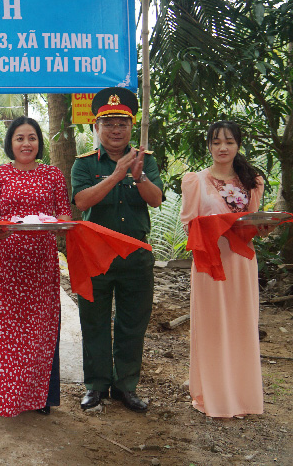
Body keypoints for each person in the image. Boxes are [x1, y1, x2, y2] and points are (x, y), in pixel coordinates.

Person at [0, 116, 72, 416]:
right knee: (3, 332)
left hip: (40, 264)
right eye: (20, 138)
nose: (27, 144)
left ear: (39, 142)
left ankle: (39, 398)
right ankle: (1, 397)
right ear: (10, 143)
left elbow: (64, 217)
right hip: (5, 265)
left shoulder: (52, 175)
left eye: (32, 138)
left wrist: (53, 225)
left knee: (39, 330)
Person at [70, 87, 164, 412]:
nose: (115, 130)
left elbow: (156, 199)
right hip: (94, 257)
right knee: (94, 322)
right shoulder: (83, 165)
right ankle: (95, 386)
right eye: (108, 123)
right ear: (96, 127)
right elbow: (81, 201)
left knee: (131, 323)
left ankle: (126, 386)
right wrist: (116, 175)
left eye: (122, 123)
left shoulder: (145, 161)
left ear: (131, 126)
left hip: (136, 256)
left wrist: (138, 178)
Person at [180, 121, 268, 418]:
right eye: (216, 142)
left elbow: (255, 225)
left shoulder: (252, 180)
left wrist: (265, 228)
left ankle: (243, 398)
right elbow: (188, 224)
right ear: (209, 146)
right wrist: (214, 226)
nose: (222, 148)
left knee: (242, 326)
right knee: (213, 328)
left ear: (238, 145)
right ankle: (214, 397)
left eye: (228, 142)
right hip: (209, 261)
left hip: (242, 261)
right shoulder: (195, 181)